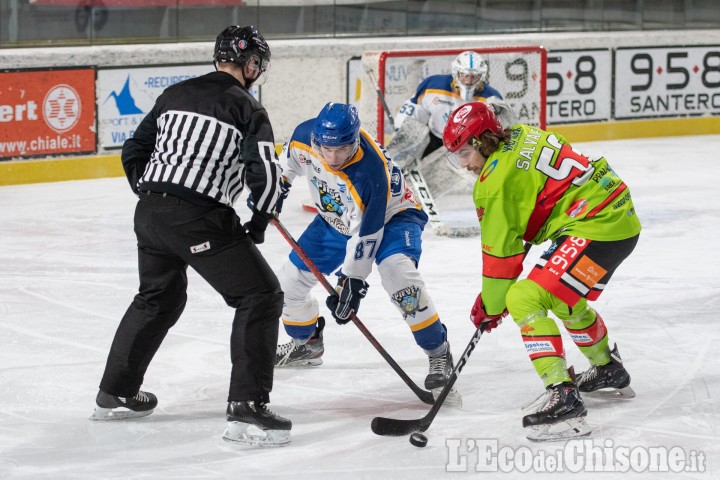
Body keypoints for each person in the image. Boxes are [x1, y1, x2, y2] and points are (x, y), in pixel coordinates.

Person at [91, 25, 292, 447]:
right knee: (260, 296)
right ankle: (247, 407)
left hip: (149, 214)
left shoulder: (174, 94)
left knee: (159, 297)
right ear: (252, 64)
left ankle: (115, 389)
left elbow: (133, 150)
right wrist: (257, 223)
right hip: (198, 217)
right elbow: (269, 178)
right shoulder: (249, 109)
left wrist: (155, 192)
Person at [442, 102, 641, 441]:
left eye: (464, 153)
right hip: (616, 217)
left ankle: (565, 399)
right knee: (561, 295)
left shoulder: (495, 181)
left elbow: (501, 258)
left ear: (481, 141)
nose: (465, 164)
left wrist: (491, 305)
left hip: (596, 226)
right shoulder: (523, 134)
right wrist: (493, 296)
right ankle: (608, 368)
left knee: (523, 297)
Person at [273, 101, 459, 402]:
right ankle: (306, 343)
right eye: (327, 150)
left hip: (393, 216)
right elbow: (285, 168)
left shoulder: (369, 170)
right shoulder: (302, 137)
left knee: (398, 275)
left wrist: (351, 282)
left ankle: (439, 351)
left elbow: (367, 234)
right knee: (288, 284)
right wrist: (274, 192)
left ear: (355, 141)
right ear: (317, 140)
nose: (333, 158)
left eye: (342, 150)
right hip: (336, 219)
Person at [388, 51, 506, 164]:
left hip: (469, 143)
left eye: (474, 77)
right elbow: (413, 111)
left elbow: (501, 129)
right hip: (435, 138)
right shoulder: (433, 86)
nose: (468, 81)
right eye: (464, 75)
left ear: (482, 76)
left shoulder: (492, 99)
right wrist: (401, 131)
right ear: (456, 72)